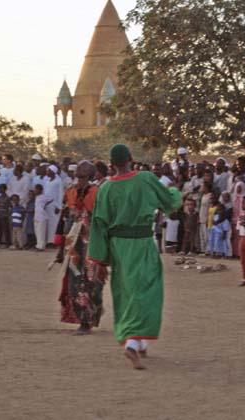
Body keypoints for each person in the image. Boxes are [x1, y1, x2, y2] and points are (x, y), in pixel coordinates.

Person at [87, 144, 181, 370]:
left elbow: (99, 226)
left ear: (111, 163)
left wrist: (99, 261)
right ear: (130, 158)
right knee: (147, 290)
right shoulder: (146, 179)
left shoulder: (106, 188)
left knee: (127, 292)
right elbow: (169, 203)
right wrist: (175, 191)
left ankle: (138, 342)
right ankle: (132, 342)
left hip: (118, 247)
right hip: (142, 243)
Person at [54, 161, 103, 335]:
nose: (79, 180)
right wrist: (60, 248)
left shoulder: (97, 193)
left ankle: (87, 321)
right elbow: (63, 220)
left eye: (83, 177)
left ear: (91, 177)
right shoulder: (70, 192)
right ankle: (82, 319)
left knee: (91, 282)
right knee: (75, 283)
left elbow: (103, 220)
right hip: (72, 245)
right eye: (78, 176)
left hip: (91, 244)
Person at [33, 184, 53, 251]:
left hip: (42, 216)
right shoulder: (36, 197)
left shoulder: (44, 196)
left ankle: (41, 246)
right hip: (36, 216)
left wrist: (45, 204)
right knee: (37, 232)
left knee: (41, 232)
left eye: (35, 189)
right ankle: (38, 245)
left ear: (39, 190)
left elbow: (51, 199)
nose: (34, 190)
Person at [0, 184, 11, 248]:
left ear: (4, 189)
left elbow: (9, 207)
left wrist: (7, 214)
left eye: (0, 188)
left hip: (5, 216)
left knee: (6, 229)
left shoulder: (7, 198)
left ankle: (7, 243)